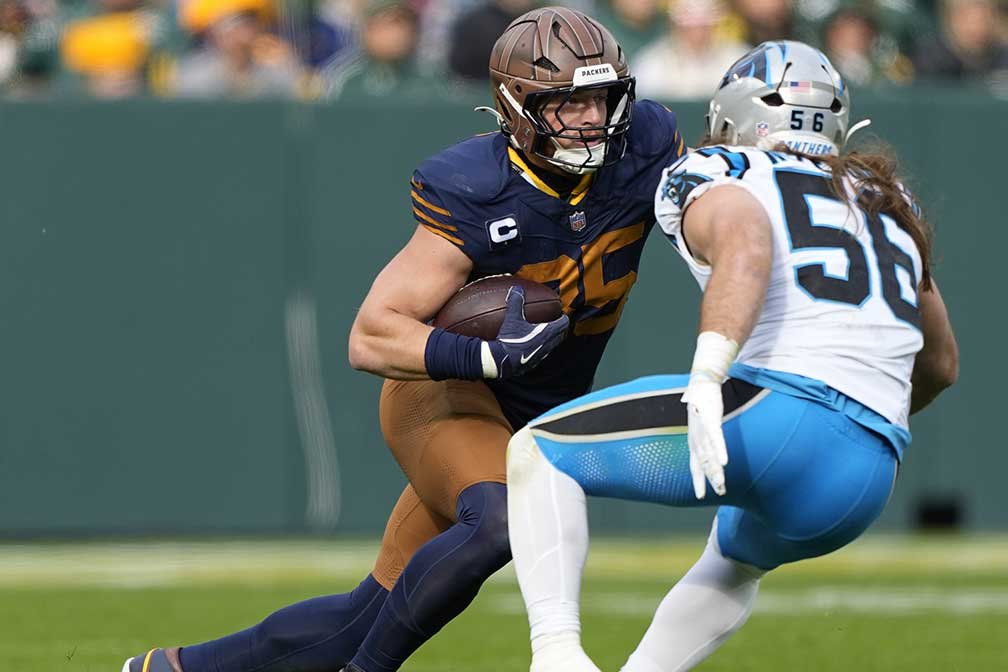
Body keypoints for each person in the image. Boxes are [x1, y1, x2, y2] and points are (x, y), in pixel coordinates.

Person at [122, 6, 685, 672]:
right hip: (451, 392)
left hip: (536, 410)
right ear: (517, 106)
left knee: (361, 617)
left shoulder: (647, 144)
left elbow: (713, 213)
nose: (592, 118)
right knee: (505, 520)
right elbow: (370, 336)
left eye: (602, 98)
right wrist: (482, 354)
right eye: (568, 103)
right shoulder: (479, 187)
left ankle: (172, 668)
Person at [506, 40, 959, 672]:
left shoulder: (726, 168)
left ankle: (556, 656)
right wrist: (860, 418)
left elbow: (746, 242)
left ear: (737, 115)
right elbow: (940, 364)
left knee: (539, 452)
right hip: (867, 475)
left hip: (774, 416)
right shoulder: (891, 200)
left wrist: (709, 373)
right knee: (733, 562)